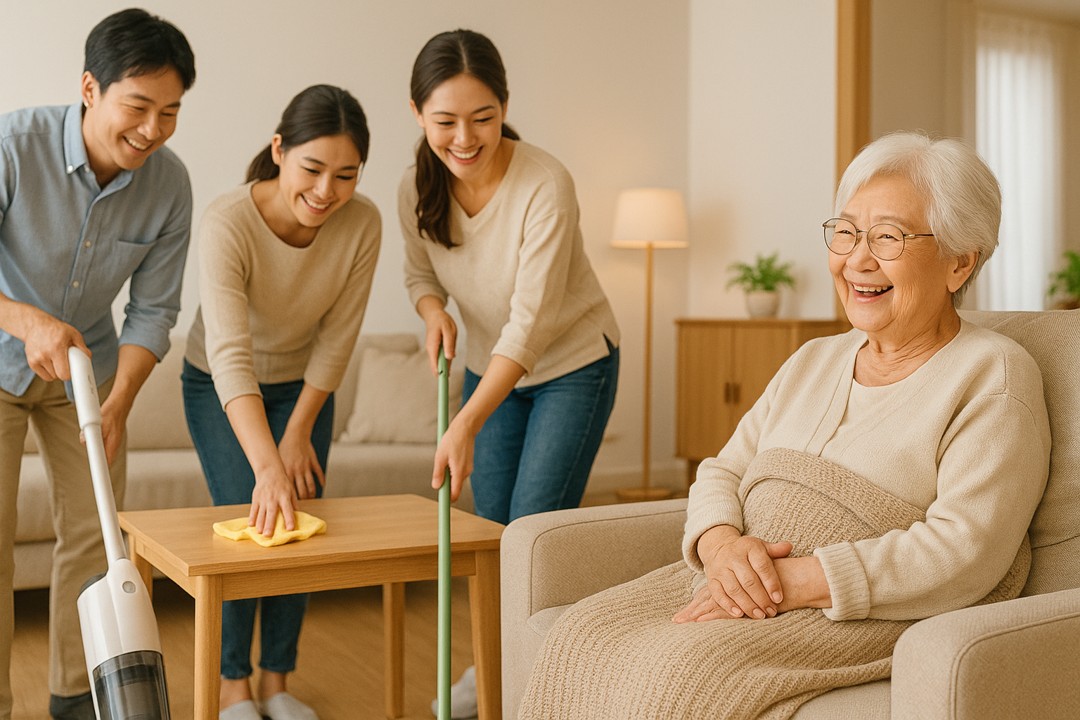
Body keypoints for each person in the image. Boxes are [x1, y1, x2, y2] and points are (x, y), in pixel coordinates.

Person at [518, 131, 1052, 719]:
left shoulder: (993, 375)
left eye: (888, 237)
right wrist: (721, 546)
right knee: (583, 634)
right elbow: (723, 468)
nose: (858, 259)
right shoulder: (813, 358)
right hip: (749, 580)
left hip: (854, 605)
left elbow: (965, 550)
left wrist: (793, 582)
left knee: (679, 672)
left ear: (960, 261)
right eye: (846, 232)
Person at [400, 28, 621, 718]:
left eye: (482, 119)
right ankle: (490, 674)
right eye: (445, 122)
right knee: (489, 539)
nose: (464, 139)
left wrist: (464, 421)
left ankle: (542, 686)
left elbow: (529, 326)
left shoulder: (545, 183)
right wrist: (433, 307)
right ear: (418, 115)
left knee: (531, 535)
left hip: (570, 366)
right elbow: (416, 272)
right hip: (489, 369)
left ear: (505, 106)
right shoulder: (416, 185)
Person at [0, 9, 195, 720]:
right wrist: (28, 322)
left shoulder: (169, 186)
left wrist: (117, 404)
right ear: (90, 88)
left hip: (87, 376)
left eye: (169, 111)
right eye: (137, 107)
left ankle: (77, 694)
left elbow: (153, 312)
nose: (152, 129)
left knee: (97, 537)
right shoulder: (14, 146)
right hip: (2, 357)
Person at [181, 84, 379, 720]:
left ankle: (276, 683)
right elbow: (230, 354)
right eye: (312, 169)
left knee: (301, 522)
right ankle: (232, 684)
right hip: (220, 381)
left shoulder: (362, 224)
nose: (327, 191)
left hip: (302, 387)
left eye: (345, 175)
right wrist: (268, 466)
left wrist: (297, 433)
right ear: (279, 150)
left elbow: (337, 339)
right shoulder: (227, 221)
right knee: (251, 519)